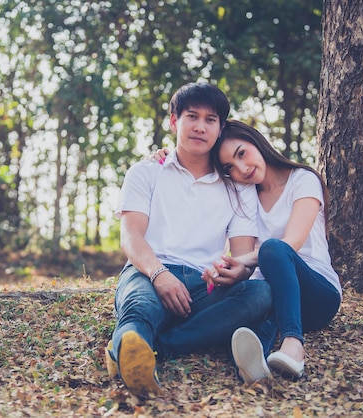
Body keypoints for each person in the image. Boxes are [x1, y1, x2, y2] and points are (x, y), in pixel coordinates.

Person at [106, 83, 272, 397]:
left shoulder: (238, 188)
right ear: (174, 121)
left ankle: (153, 347)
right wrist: (159, 274)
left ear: (220, 128)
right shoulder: (146, 172)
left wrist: (235, 272)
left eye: (210, 120)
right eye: (191, 116)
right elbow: (131, 236)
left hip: (203, 285)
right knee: (140, 305)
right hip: (148, 271)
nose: (200, 126)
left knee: (260, 293)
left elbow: (241, 256)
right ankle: (132, 343)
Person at [197, 119, 343, 381]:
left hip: (318, 295)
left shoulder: (303, 181)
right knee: (257, 295)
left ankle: (293, 345)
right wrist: (232, 270)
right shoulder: (246, 195)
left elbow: (291, 244)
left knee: (273, 249)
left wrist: (242, 260)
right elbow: (246, 264)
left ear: (257, 142)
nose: (242, 168)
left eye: (242, 153)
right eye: (230, 167)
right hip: (276, 298)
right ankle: (252, 365)